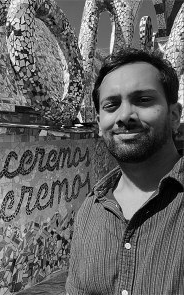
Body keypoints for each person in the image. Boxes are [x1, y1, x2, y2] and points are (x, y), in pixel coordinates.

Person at [66, 48, 184, 295]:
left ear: (174, 115)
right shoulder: (91, 211)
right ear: (99, 124)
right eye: (112, 105)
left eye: (143, 100)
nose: (125, 116)